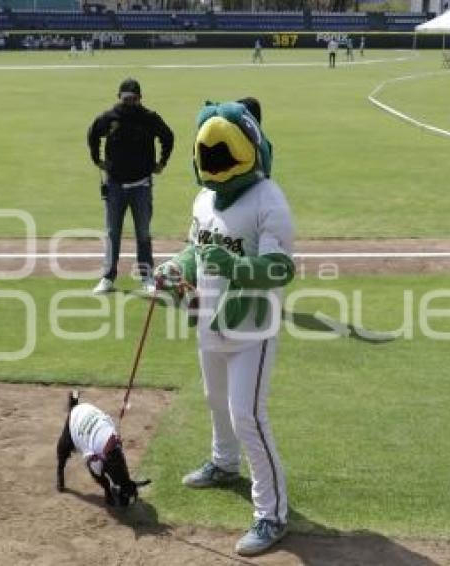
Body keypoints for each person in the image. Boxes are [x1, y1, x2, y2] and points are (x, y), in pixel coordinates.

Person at [154, 100, 294, 557]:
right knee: (216, 401)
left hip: (252, 328)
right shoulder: (203, 198)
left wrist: (235, 266)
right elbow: (196, 250)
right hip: (208, 319)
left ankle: (272, 514)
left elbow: (279, 269)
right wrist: (174, 270)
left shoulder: (268, 199)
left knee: (247, 415)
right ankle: (223, 463)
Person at [87, 78, 174, 294]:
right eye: (127, 99)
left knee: (143, 233)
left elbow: (168, 136)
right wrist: (96, 159)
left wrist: (162, 162)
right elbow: (92, 134)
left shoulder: (149, 118)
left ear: (140, 98)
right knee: (112, 233)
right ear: (119, 97)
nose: (130, 103)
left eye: (134, 99)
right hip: (115, 185)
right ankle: (108, 278)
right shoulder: (109, 118)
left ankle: (146, 277)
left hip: (142, 186)